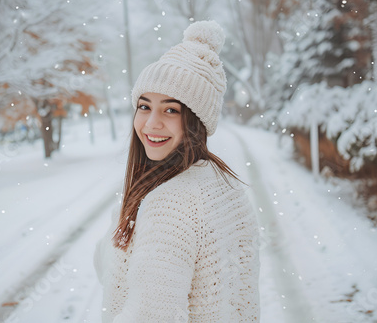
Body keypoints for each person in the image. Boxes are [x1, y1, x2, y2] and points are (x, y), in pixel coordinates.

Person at [94, 20, 260, 322]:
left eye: (171, 109)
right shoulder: (227, 187)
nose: (151, 123)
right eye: (144, 106)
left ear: (197, 120)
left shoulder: (169, 205)